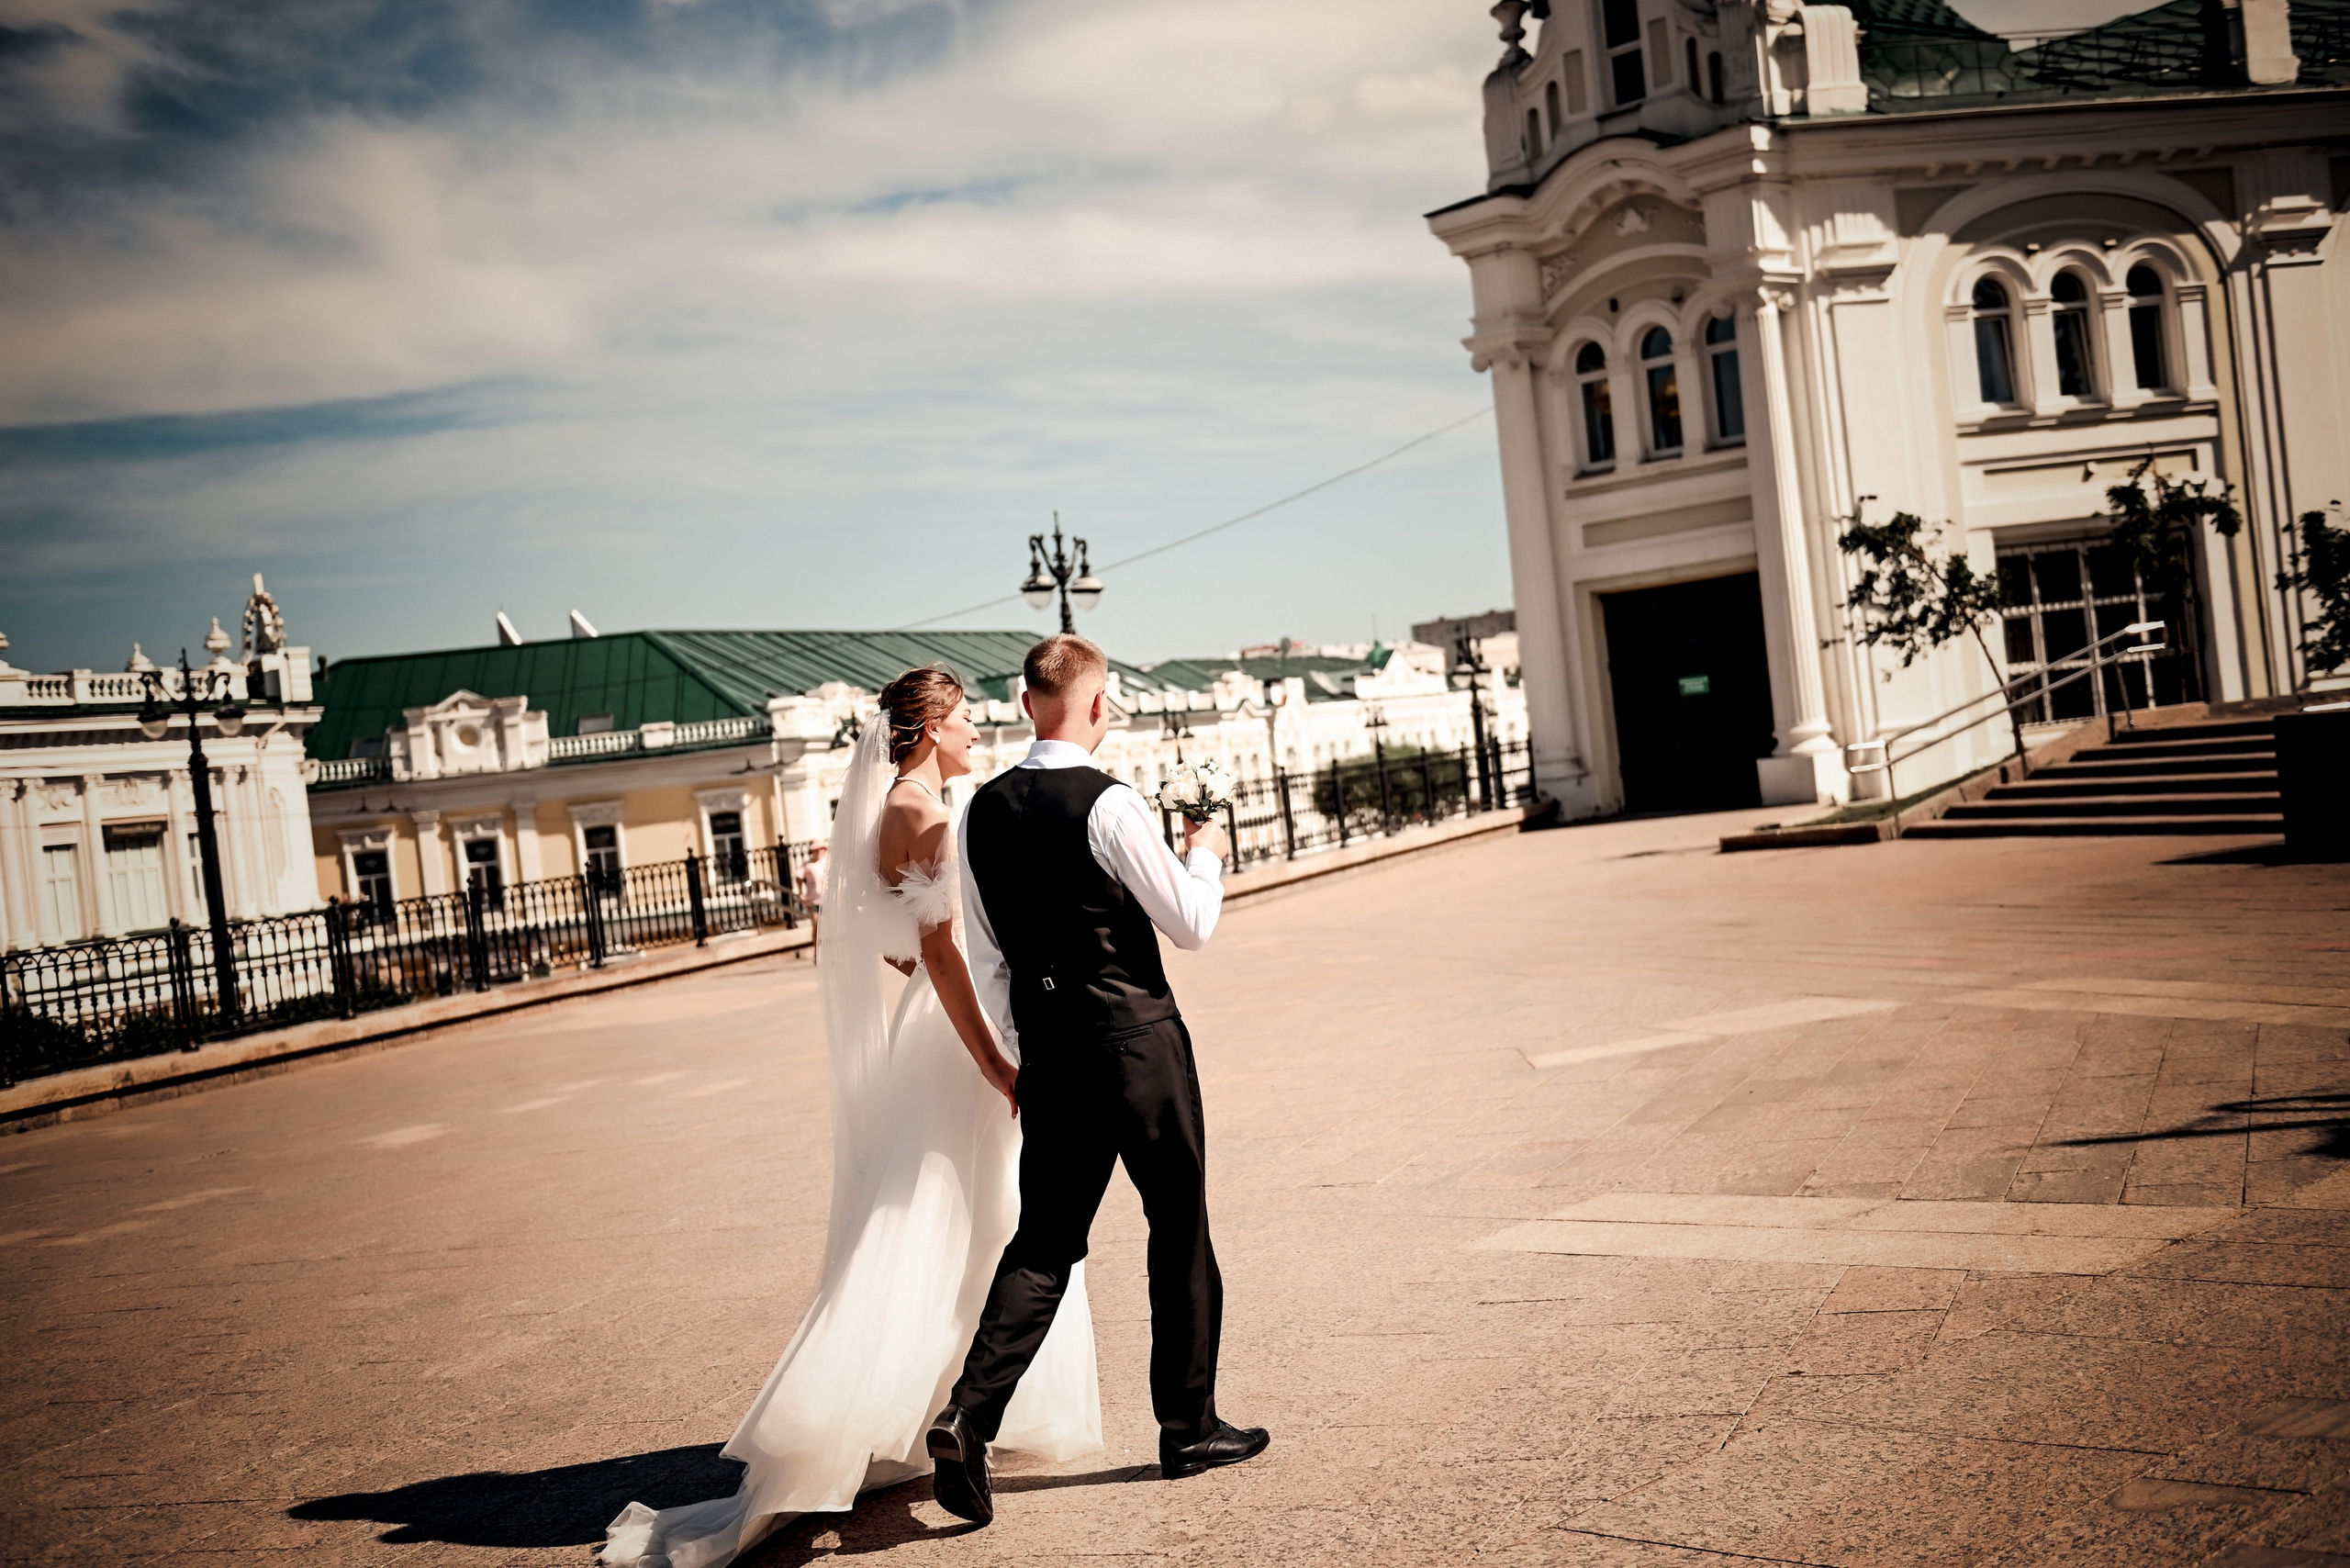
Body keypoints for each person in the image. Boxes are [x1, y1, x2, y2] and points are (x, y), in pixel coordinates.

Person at [602, 667, 1100, 1568]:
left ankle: (953, 1412)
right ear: (923, 731)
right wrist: (993, 1056)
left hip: (947, 1027)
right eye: (962, 719)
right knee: (950, 1223)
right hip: (967, 1041)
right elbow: (943, 948)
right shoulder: (923, 812)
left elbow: (910, 953)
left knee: (974, 1221)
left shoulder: (908, 806)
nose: (977, 729)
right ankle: (914, 1418)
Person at [924, 633, 1269, 1529]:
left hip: (1051, 1053)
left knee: (1043, 1241)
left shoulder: (981, 813)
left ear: (1027, 700)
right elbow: (1190, 923)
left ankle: (969, 1413)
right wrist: (1207, 850)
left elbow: (989, 958)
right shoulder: (1111, 804)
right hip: (1137, 1043)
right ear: (1096, 705)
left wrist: (1027, 1051)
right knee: (1177, 1221)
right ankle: (1187, 1428)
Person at [796, 841, 826, 949]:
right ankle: (816, 949)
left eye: (820, 849)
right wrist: (800, 893)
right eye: (815, 850)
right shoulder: (807, 865)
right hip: (813, 899)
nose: (818, 852)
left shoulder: (828, 862)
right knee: (816, 925)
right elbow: (798, 877)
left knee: (828, 926)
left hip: (826, 899)